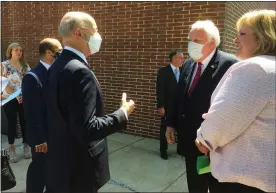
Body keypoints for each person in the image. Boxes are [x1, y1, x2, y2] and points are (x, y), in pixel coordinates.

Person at [44, 12, 135, 193]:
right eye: (94, 30)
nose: (97, 35)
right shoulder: (78, 71)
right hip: (78, 171)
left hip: (60, 165)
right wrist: (122, 113)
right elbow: (87, 128)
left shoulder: (57, 64)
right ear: (79, 33)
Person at [196, 10, 276, 193]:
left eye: (241, 33)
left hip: (243, 181)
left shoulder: (256, 68)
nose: (235, 40)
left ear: (264, 36)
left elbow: (221, 123)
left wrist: (203, 139)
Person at [165, 20, 239, 193]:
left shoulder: (230, 65)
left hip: (215, 147)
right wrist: (171, 123)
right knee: (195, 185)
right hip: (190, 143)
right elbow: (179, 97)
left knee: (216, 187)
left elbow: (232, 110)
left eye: (196, 41)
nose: (191, 44)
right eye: (190, 39)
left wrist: (213, 140)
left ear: (211, 42)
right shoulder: (189, 64)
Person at [22, 38, 62, 193]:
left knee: (52, 170)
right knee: (39, 169)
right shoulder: (33, 77)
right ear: (48, 53)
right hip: (42, 136)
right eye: (59, 52)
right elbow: (32, 112)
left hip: (55, 133)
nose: (61, 56)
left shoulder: (56, 72)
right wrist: (39, 140)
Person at [1, 42, 31, 162]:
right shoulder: (4, 65)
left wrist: (23, 94)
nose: (19, 52)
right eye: (16, 50)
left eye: (20, 50)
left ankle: (26, 145)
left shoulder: (25, 65)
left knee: (25, 122)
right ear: (10, 51)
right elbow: (3, 82)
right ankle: (12, 149)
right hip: (9, 99)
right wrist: (16, 95)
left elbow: (29, 81)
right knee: (12, 123)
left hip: (23, 98)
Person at [156, 50, 183, 160]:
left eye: (182, 58)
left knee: (180, 128)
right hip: (167, 106)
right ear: (173, 59)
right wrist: (161, 106)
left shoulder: (183, 71)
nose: (182, 60)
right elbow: (160, 90)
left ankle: (180, 149)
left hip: (180, 106)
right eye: (180, 58)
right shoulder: (163, 71)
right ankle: (163, 151)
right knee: (165, 128)